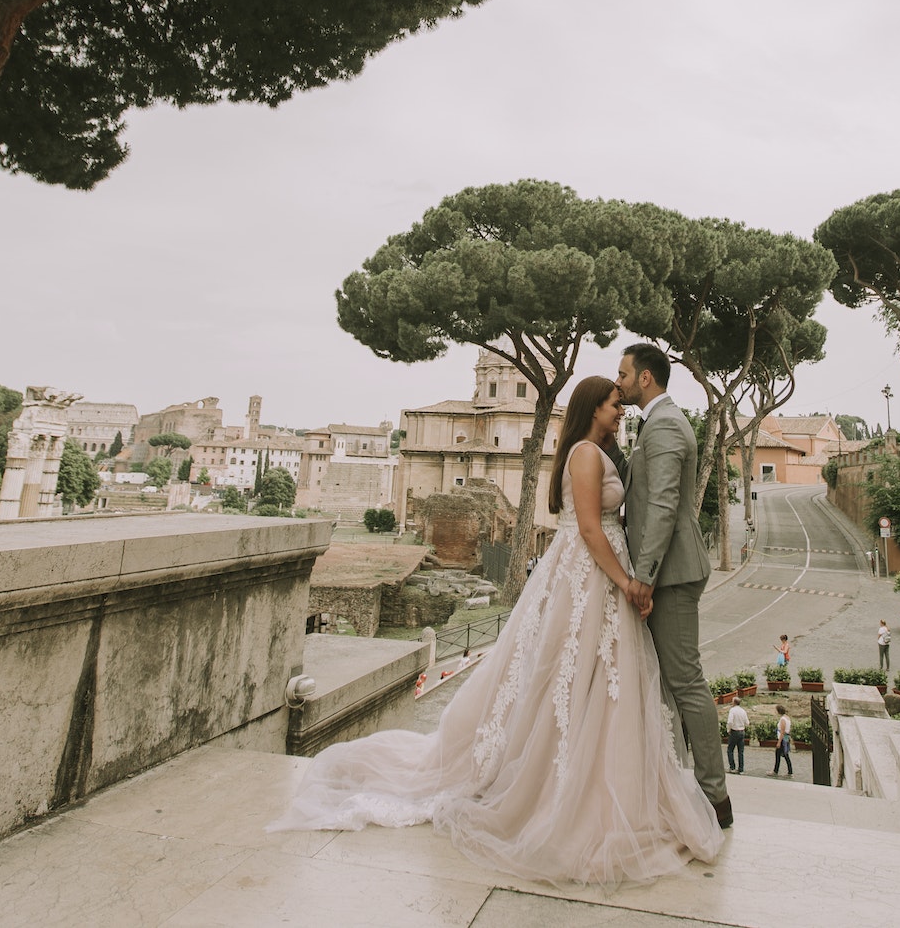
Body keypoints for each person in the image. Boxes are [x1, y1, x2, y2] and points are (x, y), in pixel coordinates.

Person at [269, 373, 721, 886]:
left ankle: (584, 777)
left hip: (591, 576)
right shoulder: (587, 455)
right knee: (570, 679)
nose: (621, 407)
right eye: (615, 402)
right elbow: (592, 528)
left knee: (580, 680)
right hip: (593, 574)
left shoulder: (590, 451)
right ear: (593, 406)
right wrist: (628, 581)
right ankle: (567, 784)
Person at [617, 342, 731, 829]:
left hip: (673, 574)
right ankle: (678, 783)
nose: (617, 380)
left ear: (646, 378)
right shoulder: (654, 423)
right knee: (668, 682)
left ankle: (715, 798)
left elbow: (662, 505)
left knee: (685, 681)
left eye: (623, 373)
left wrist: (644, 577)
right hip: (669, 571)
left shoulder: (664, 424)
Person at [725, 700, 749, 774]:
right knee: (740, 751)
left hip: (734, 731)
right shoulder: (743, 711)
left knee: (730, 750)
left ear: (734, 703)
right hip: (742, 731)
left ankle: (732, 767)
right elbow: (747, 722)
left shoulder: (732, 710)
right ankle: (741, 769)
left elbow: (730, 721)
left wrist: (728, 729)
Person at [772, 705, 793, 777]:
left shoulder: (782, 719)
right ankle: (789, 771)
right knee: (784, 755)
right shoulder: (787, 718)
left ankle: (776, 771)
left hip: (782, 739)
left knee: (780, 755)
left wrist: (779, 742)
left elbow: (782, 731)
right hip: (786, 738)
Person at [878, 617, 892, 682]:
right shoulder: (887, 628)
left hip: (881, 643)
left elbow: (879, 635)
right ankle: (888, 667)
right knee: (887, 655)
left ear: (881, 623)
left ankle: (881, 667)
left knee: (881, 655)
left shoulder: (881, 629)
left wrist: (878, 640)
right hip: (887, 643)